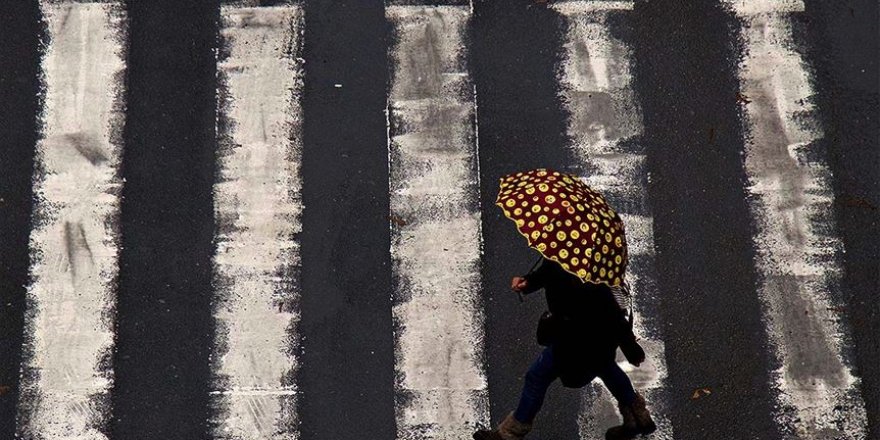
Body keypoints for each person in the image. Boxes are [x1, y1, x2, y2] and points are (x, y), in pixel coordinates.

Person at [473, 257, 656, 440]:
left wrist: (527, 283)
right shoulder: (598, 264)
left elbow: (610, 312)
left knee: (537, 376)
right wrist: (527, 282)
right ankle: (637, 416)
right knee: (605, 367)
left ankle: (510, 433)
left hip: (573, 341)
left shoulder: (565, 259)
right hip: (601, 341)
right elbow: (615, 315)